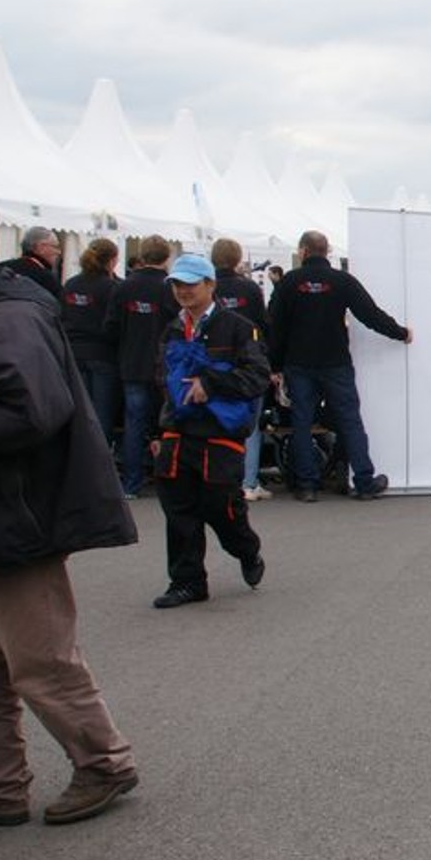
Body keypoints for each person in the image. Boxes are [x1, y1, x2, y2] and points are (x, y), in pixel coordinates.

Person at [0, 211, 141, 826]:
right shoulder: (10, 307)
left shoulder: (11, 314)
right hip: (7, 510)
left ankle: (104, 761)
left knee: (40, 659)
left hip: (18, 513)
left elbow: (29, 406)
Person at [149, 253, 270, 609]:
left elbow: (257, 376)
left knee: (221, 508)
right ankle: (187, 582)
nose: (183, 291)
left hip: (219, 434)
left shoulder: (237, 326)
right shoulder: (172, 327)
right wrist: (155, 434)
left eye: (190, 283)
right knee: (178, 509)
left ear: (210, 285)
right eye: (177, 284)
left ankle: (247, 550)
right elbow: (160, 378)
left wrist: (211, 383)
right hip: (177, 431)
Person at [267, 229, 413, 502]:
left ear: (302, 252)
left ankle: (307, 485)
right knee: (349, 421)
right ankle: (364, 481)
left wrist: (274, 365)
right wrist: (401, 332)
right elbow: (370, 314)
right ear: (328, 251)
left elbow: (276, 327)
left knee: (301, 422)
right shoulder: (342, 281)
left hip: (299, 363)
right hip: (335, 362)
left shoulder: (289, 282)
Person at [105, 234, 176, 498]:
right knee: (167, 424)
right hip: (164, 365)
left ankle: (132, 483)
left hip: (132, 363)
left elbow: (111, 327)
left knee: (134, 424)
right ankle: (166, 479)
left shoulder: (123, 287)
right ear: (166, 257)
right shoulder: (170, 288)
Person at [211, 238, 272, 501]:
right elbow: (262, 325)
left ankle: (216, 478)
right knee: (250, 425)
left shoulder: (207, 287)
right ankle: (248, 482)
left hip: (214, 362)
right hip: (247, 361)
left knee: (214, 422)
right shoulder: (249, 289)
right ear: (237, 260)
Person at [58, 237, 122, 445]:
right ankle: (100, 462)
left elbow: (62, 317)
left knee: (78, 411)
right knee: (101, 413)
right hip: (102, 355)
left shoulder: (71, 284)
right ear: (112, 261)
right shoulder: (111, 287)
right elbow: (114, 324)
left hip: (74, 353)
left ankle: (78, 457)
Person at [6, 226, 64, 297]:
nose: (59, 252)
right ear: (42, 248)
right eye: (55, 247)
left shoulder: (3, 268)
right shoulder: (46, 279)